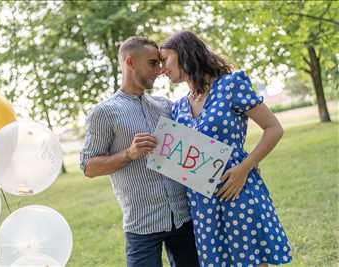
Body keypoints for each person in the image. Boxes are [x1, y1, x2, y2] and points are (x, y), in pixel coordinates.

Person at [160, 31, 292, 266]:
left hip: (238, 191)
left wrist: (245, 168)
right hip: (203, 206)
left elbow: (274, 128)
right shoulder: (178, 107)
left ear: (184, 55)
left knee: (251, 260)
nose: (162, 68)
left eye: (165, 59)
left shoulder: (231, 85)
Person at [80, 36, 199, 267]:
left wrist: (240, 163)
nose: (160, 69)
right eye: (153, 63)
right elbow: (88, 167)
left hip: (183, 218)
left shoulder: (165, 105)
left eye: (161, 63)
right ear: (130, 62)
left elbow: (195, 145)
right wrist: (129, 154)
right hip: (142, 225)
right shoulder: (104, 113)